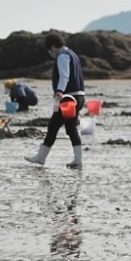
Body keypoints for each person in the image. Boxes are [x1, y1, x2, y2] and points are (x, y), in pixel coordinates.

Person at [25, 33, 85, 169]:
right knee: (71, 128)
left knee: (53, 126)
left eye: (49, 49)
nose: (50, 52)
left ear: (52, 46)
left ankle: (41, 157)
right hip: (79, 96)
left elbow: (64, 76)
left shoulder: (62, 56)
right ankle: (78, 160)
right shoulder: (73, 54)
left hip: (68, 98)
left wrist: (59, 91)